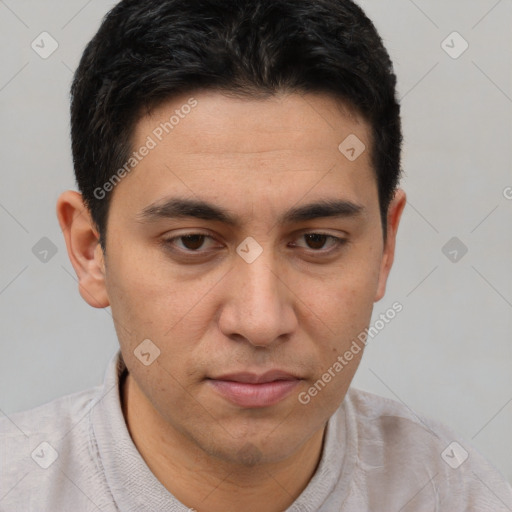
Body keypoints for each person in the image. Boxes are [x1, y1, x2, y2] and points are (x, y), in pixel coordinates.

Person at [1, 0, 511, 510]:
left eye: (317, 241)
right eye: (193, 242)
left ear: (385, 246)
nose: (261, 321)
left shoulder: (459, 495)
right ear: (92, 253)